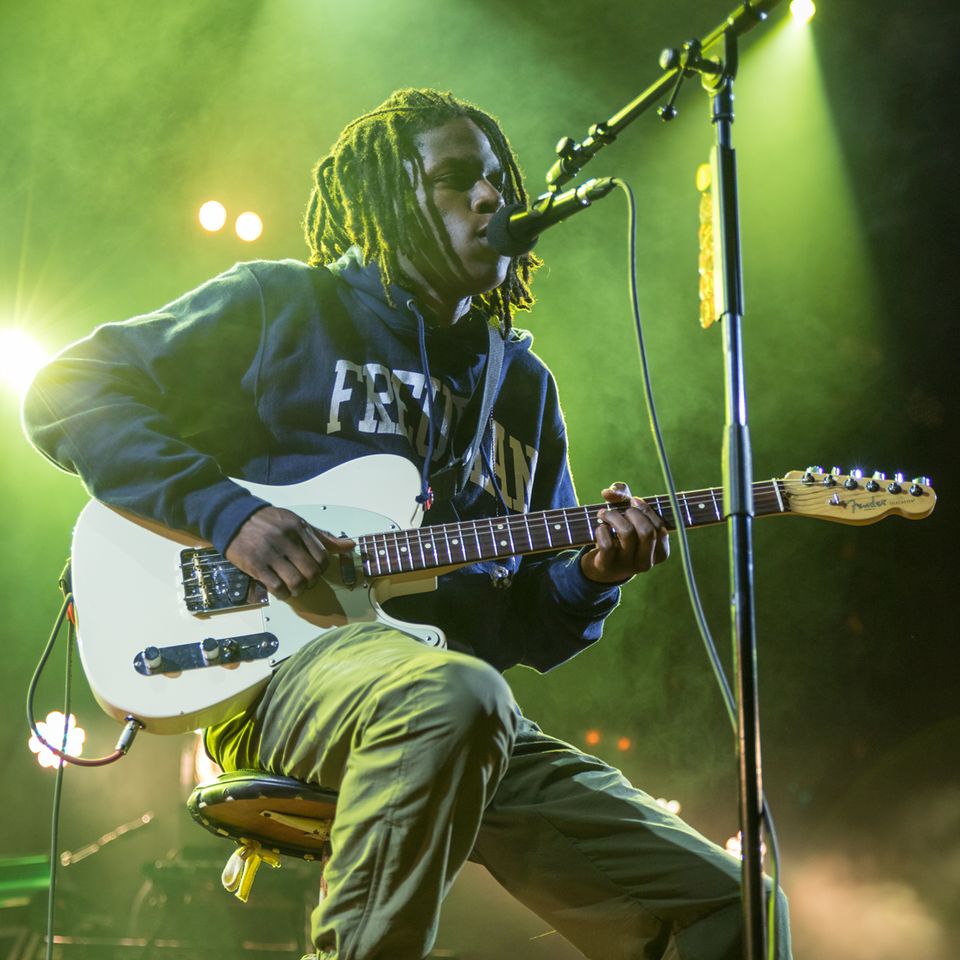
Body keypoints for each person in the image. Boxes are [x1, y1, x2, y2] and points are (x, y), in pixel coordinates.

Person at [24, 88, 790, 960]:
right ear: (388, 199)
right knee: (459, 696)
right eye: (459, 179)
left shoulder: (525, 394)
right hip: (275, 673)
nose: (494, 198)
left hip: (451, 699)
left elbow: (523, 625)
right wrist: (230, 513)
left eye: (499, 180)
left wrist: (593, 578)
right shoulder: (283, 306)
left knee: (735, 909)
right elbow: (66, 390)